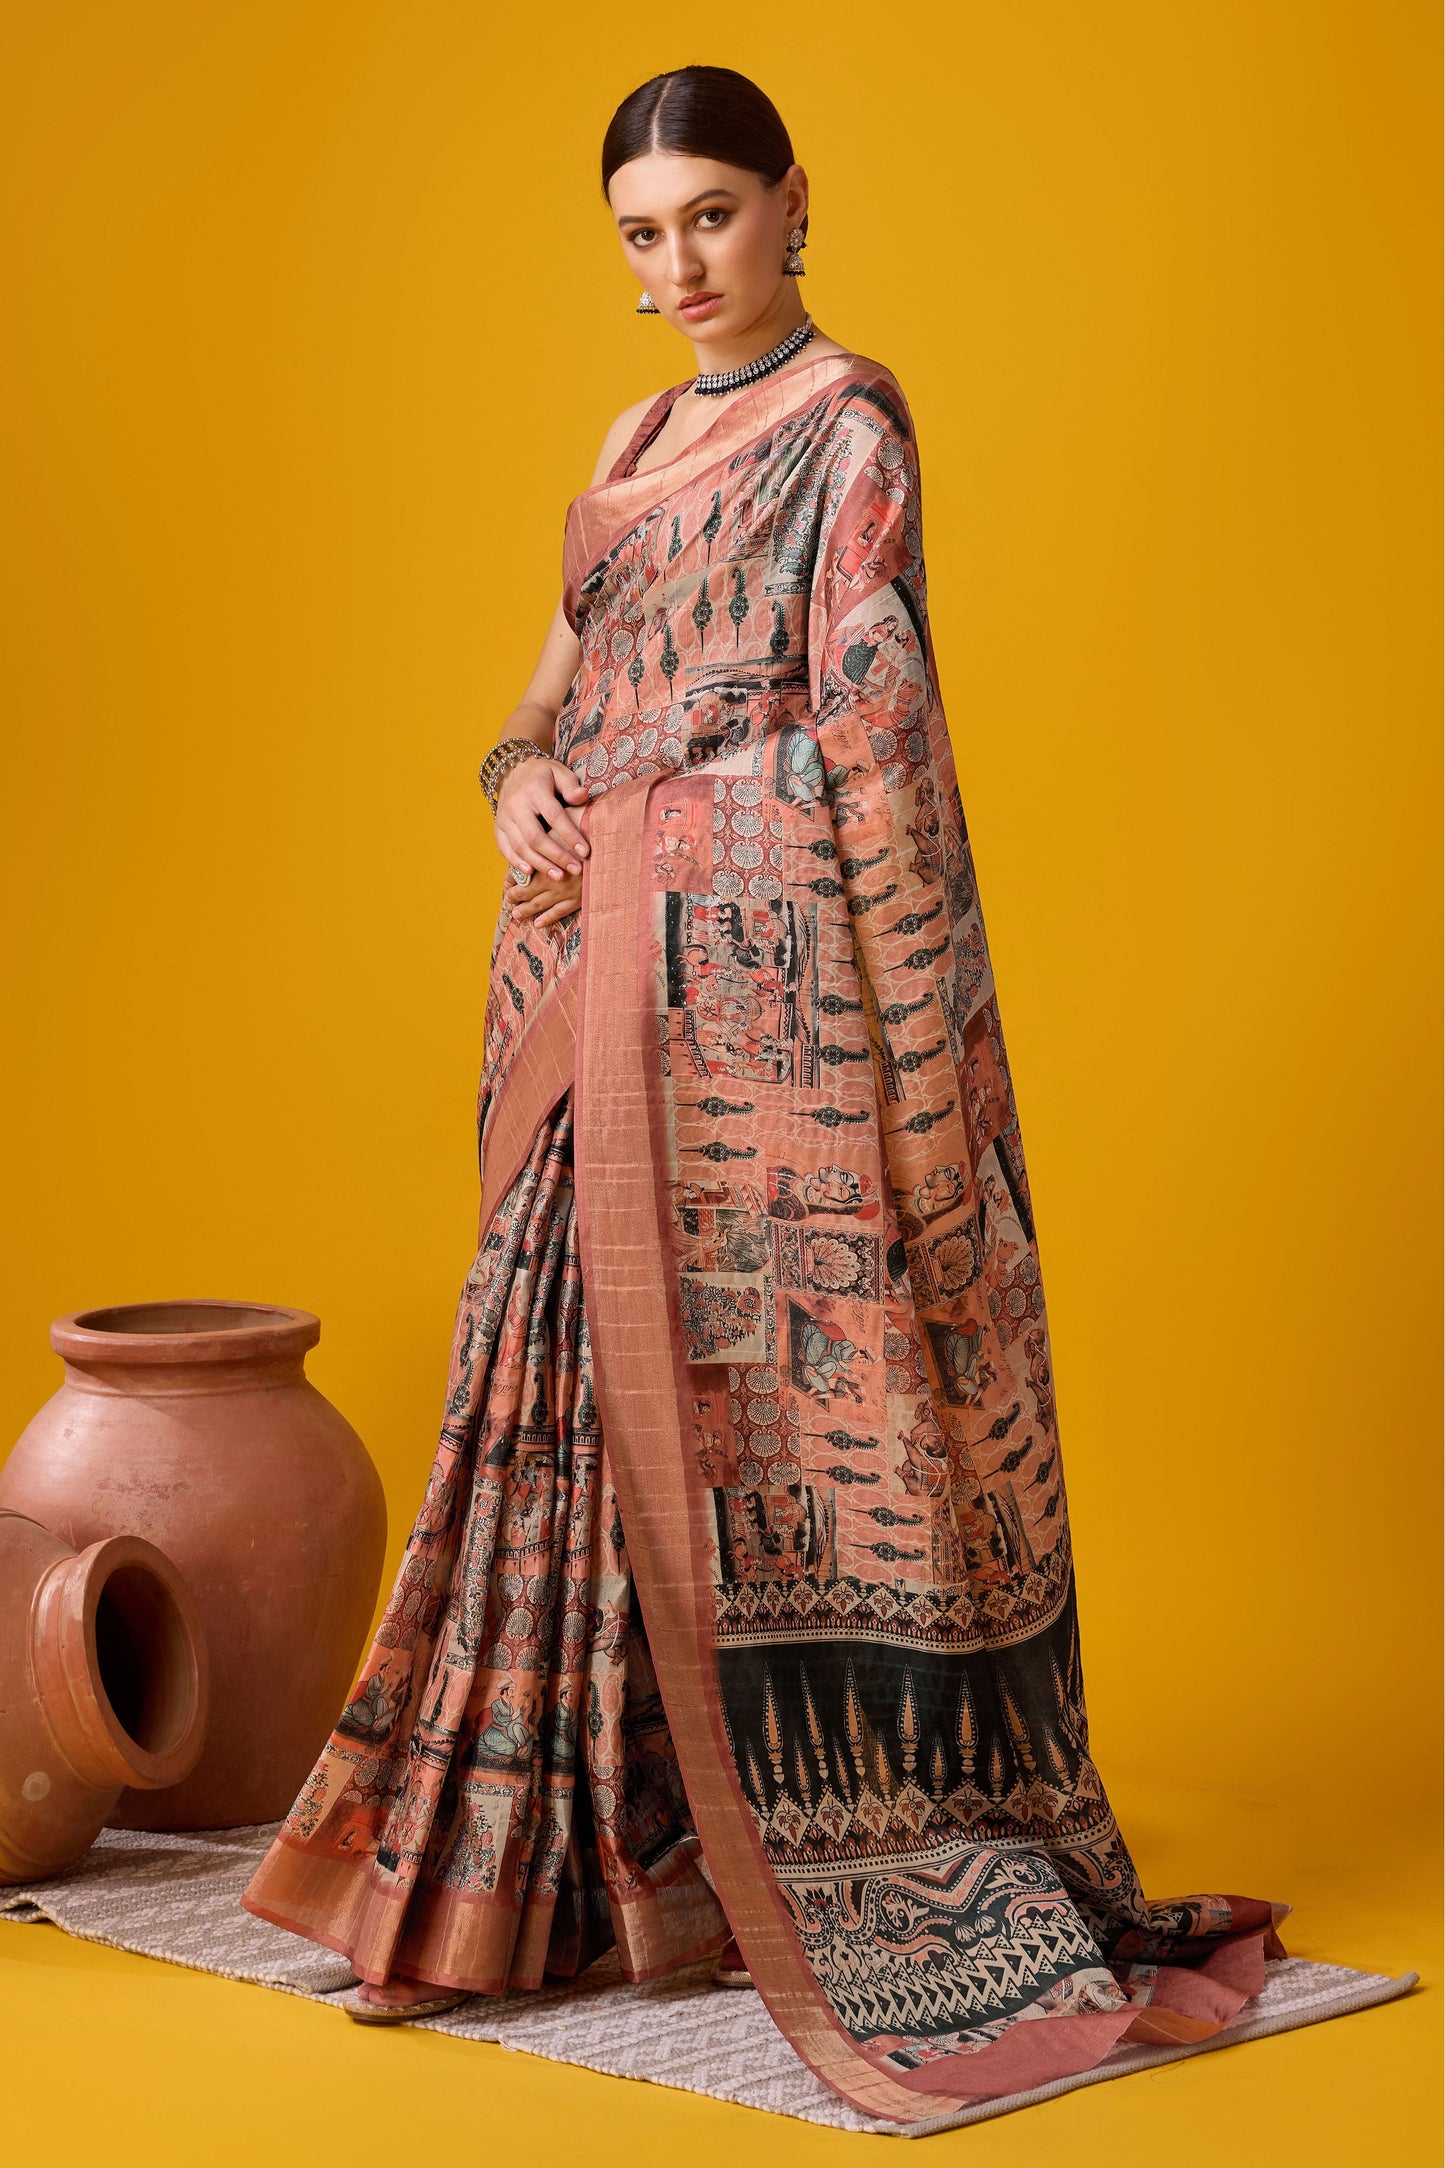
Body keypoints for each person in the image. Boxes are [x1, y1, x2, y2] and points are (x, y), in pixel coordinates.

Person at [242, 65, 1285, 2123]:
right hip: (583, 969)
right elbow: (547, 696)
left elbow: (869, 734)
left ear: (794, 202)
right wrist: (514, 781)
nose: (680, 264)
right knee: (544, 1385)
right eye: (641, 234)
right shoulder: (631, 445)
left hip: (743, 989)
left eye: (710, 213)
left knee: (734, 1409)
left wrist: (665, 813)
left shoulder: (847, 427)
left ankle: (774, 1861)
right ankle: (540, 1879)